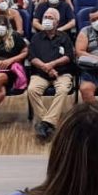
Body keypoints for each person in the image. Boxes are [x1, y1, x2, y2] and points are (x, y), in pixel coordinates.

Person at [27, 7, 75, 140]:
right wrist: (46, 68)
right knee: (32, 90)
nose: (47, 20)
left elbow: (69, 56)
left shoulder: (64, 37)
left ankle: (45, 123)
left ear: (57, 22)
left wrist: (52, 65)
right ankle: (47, 122)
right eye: (45, 17)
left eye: (50, 18)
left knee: (63, 90)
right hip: (40, 73)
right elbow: (32, 57)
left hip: (61, 73)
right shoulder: (36, 37)